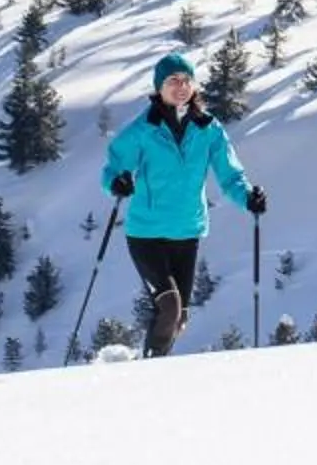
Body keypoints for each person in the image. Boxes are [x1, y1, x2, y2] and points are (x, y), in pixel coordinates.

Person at [102, 52, 263, 356]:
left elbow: (230, 174)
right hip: (146, 233)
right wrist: (116, 182)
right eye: (173, 80)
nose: (181, 86)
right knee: (170, 308)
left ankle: (153, 364)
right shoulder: (144, 128)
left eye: (186, 80)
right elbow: (113, 166)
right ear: (159, 87)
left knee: (179, 318)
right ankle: (149, 372)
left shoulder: (208, 128)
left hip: (187, 231)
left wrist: (248, 197)